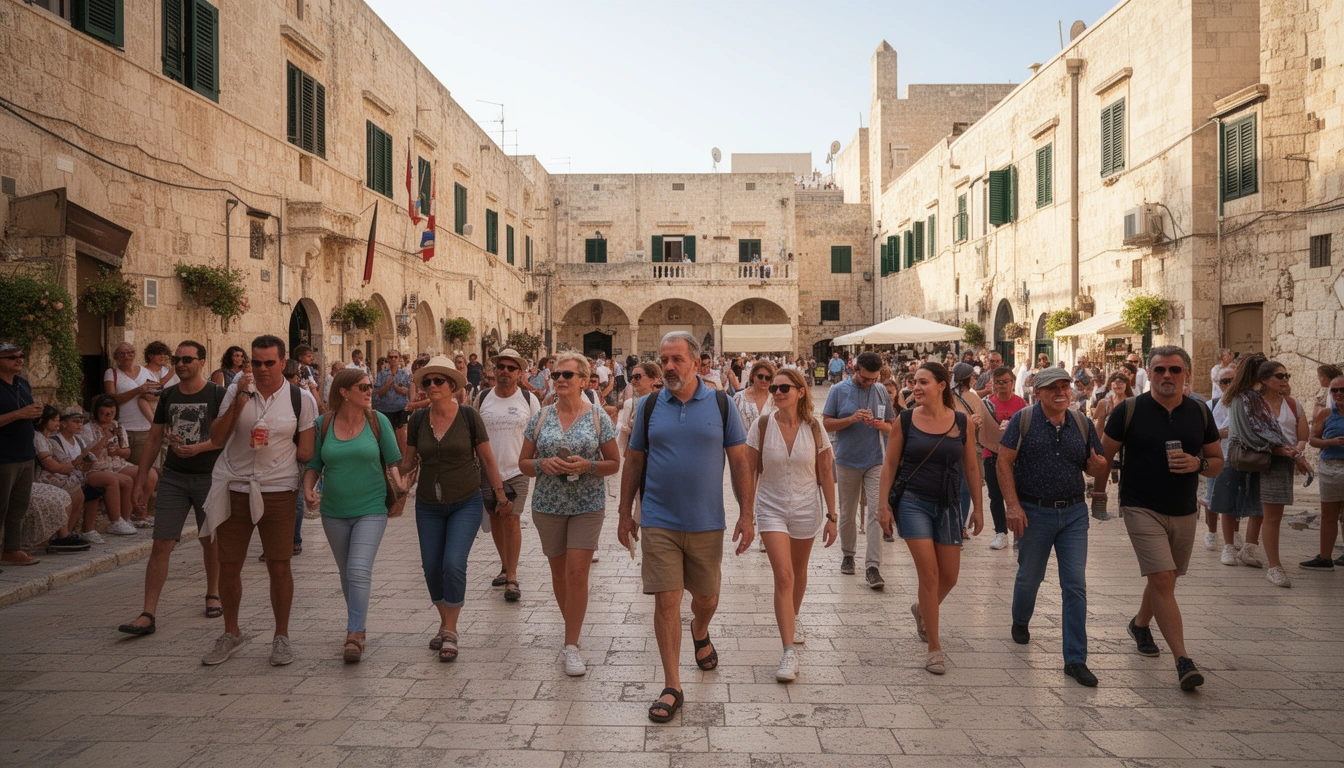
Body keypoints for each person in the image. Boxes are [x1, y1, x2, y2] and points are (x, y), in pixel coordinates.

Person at [617, 331, 754, 723]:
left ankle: (700, 628)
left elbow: (740, 463)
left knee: (706, 597)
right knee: (666, 600)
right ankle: (672, 684)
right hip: (659, 518)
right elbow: (635, 462)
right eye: (665, 360)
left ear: (697, 362)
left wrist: (747, 514)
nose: (670, 367)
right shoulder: (647, 407)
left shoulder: (721, 404)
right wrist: (625, 513)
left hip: (706, 521)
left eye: (677, 359)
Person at [1098, 346, 1221, 691]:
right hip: (1140, 506)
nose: (1168, 375)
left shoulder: (1199, 411)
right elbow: (1102, 456)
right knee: (1164, 578)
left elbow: (1217, 460)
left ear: (1187, 375)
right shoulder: (1130, 409)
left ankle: (1140, 624)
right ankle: (1183, 660)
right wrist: (1096, 496)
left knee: (1165, 579)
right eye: (1161, 369)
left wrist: (1199, 464)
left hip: (1184, 509)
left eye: (1175, 370)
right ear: (1148, 374)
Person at [199, 335, 317, 667]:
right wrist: (239, 400)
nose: (262, 369)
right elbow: (218, 437)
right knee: (229, 563)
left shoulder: (301, 399)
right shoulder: (237, 392)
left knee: (279, 565)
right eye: (256, 363)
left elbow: (307, 450)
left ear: (283, 363)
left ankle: (281, 637)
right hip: (235, 485)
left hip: (279, 488)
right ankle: (231, 632)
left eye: (269, 363)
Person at [996, 366, 1109, 687]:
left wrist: (1098, 466)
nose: (1061, 392)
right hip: (1034, 511)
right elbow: (1004, 461)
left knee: (1074, 585)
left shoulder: (1081, 422)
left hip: (1074, 513)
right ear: (1039, 392)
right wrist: (1013, 506)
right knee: (1030, 576)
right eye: (1053, 387)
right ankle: (1020, 620)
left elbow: (1092, 464)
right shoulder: (1024, 420)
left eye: (1065, 386)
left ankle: (1075, 659)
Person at [402, 356, 510, 662]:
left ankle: (450, 629)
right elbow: (408, 462)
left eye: (439, 381)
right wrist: (392, 470)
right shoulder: (418, 420)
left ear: (452, 385)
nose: (432, 386)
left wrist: (500, 496)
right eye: (427, 382)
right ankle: (445, 621)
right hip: (427, 505)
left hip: (466, 501)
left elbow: (488, 459)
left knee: (453, 563)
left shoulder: (468, 417)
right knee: (431, 566)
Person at [878, 362, 984, 675]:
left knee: (950, 576)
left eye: (923, 382)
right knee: (930, 573)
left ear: (942, 385)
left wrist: (977, 507)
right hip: (913, 503)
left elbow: (972, 469)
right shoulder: (905, 420)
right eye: (913, 383)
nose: (915, 388)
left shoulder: (963, 422)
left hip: (949, 504)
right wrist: (883, 506)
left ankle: (922, 609)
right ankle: (934, 647)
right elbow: (889, 465)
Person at [519, 352, 620, 676]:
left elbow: (614, 463)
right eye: (556, 374)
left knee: (577, 573)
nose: (560, 379)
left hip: (587, 505)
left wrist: (588, 465)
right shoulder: (541, 416)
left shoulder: (597, 417)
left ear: (583, 380)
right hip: (548, 505)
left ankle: (571, 643)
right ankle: (571, 628)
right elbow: (523, 462)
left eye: (567, 375)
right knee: (560, 574)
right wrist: (540, 464)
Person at [118, 341, 225, 636]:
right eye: (177, 359)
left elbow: (225, 436)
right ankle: (147, 613)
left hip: (209, 478)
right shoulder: (169, 395)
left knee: (210, 540)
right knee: (161, 543)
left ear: (202, 361)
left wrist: (200, 448)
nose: (181, 364)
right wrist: (140, 481)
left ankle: (213, 592)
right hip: (174, 478)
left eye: (187, 359)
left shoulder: (217, 394)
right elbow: (153, 439)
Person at [303, 368, 402, 662]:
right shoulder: (324, 423)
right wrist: (308, 490)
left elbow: (394, 461)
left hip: (371, 508)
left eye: (370, 386)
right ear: (345, 392)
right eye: (363, 387)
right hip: (333, 511)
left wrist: (401, 485)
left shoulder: (378, 421)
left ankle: (354, 633)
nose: (370, 390)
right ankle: (357, 624)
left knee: (358, 569)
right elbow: (313, 465)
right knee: (347, 572)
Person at [745, 368, 837, 682]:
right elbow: (749, 472)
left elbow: (826, 473)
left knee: (798, 572)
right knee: (783, 575)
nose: (778, 392)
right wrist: (746, 515)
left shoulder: (815, 427)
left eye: (785, 387)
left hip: (806, 507)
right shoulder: (761, 425)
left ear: (800, 391)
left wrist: (833, 516)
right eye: (774, 387)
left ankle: (793, 616)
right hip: (770, 507)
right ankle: (788, 652)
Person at [1225, 356, 1309, 587]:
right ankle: (1274, 567)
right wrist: (1287, 452)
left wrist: (1296, 454)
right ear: (1264, 379)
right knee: (1268, 514)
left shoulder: (1291, 403)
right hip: (1262, 460)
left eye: (1286, 376)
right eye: (1279, 376)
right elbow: (1251, 434)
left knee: (1267, 513)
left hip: (1281, 462)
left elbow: (1300, 434)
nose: (1284, 380)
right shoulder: (1250, 402)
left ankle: (1251, 550)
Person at [475, 349, 541, 603]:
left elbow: (537, 432)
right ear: (494, 370)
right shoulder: (482, 399)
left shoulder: (528, 399)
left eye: (511, 368)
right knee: (495, 520)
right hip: (487, 470)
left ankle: (512, 576)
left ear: (519, 373)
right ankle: (505, 566)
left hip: (517, 469)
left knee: (511, 518)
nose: (504, 371)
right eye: (500, 366)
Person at [823, 351, 893, 588]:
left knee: (876, 511)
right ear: (855, 370)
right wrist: (852, 419)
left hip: (875, 460)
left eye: (874, 379)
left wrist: (880, 425)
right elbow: (826, 423)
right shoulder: (838, 391)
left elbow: (891, 425)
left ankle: (873, 567)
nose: (869, 383)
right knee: (847, 511)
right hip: (847, 460)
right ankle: (848, 554)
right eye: (865, 379)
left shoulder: (881, 390)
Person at [0, 341, 44, 568]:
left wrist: (34, 414)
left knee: (18, 506)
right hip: (4, 457)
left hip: (25, 453)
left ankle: (12, 550)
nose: (18, 360)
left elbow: (26, 412)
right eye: (11, 357)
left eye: (21, 355)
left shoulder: (22, 384)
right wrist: (19, 414)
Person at [103, 342, 158, 511]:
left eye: (129, 353)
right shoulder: (111, 373)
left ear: (134, 354)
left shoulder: (147, 372)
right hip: (122, 430)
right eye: (121, 354)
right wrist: (138, 391)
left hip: (143, 430)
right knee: (124, 474)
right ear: (116, 357)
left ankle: (141, 510)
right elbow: (112, 399)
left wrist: (149, 396)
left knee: (144, 472)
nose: (126, 356)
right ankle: (124, 511)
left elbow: (157, 395)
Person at [980, 366, 1027, 550]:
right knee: (995, 495)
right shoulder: (987, 404)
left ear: (1013, 383)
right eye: (998, 382)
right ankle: (1001, 532)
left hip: (1016, 456)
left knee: (1018, 494)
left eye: (1005, 382)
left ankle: (1019, 533)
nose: (1001, 386)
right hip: (991, 454)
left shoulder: (1021, 404)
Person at [81, 395, 143, 535]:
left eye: (112, 413)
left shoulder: (118, 427)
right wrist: (105, 439)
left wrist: (118, 451)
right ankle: (115, 521)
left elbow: (126, 451)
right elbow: (87, 455)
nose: (109, 417)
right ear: (97, 412)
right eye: (105, 414)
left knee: (128, 480)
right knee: (113, 480)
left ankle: (125, 519)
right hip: (94, 467)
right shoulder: (88, 429)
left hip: (113, 463)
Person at [32, 405, 90, 551]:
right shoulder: (38, 438)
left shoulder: (45, 438)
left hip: (48, 472)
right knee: (66, 488)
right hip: (39, 476)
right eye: (54, 420)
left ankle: (65, 534)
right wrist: (65, 468)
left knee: (75, 489)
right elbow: (49, 464)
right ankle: (62, 535)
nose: (58, 423)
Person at [1304, 374, 1344, 569]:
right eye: (1334, 390)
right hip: (1331, 467)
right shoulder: (1326, 413)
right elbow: (1313, 440)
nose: (1338, 394)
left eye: (1342, 390)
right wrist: (1330, 442)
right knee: (1329, 514)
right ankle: (1325, 557)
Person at [733, 360, 776, 430]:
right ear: (752, 376)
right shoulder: (738, 398)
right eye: (760, 376)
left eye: (768, 378)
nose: (764, 380)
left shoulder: (775, 400)